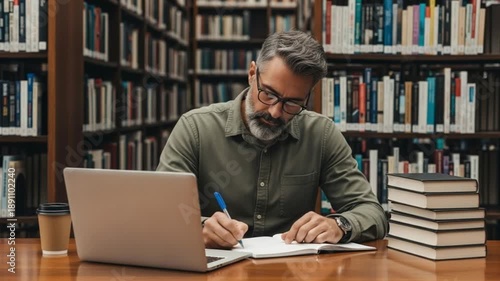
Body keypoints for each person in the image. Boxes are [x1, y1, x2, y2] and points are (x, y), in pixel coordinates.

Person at [157, 30, 388, 249]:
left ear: (308, 97)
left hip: (292, 271)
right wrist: (201, 228)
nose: (275, 112)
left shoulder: (321, 134)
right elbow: (159, 212)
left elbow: (372, 212)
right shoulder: (195, 128)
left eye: (293, 103)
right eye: (268, 94)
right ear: (251, 74)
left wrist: (339, 225)